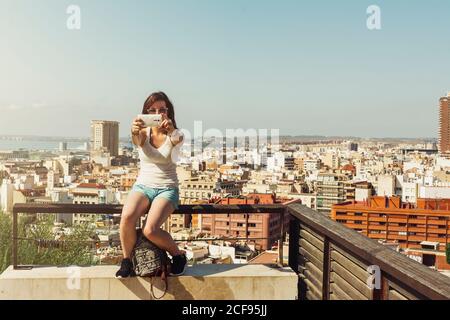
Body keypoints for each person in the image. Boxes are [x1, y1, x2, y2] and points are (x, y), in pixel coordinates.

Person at [115, 91, 187, 278]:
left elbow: (177, 139)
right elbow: (137, 141)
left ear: (168, 112)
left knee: (150, 230)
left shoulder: (176, 133)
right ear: (146, 112)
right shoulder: (143, 133)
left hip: (167, 187)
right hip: (143, 185)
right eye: (152, 110)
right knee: (127, 217)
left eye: (162, 109)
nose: (157, 113)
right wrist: (133, 130)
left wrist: (170, 130)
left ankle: (178, 255)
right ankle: (127, 261)